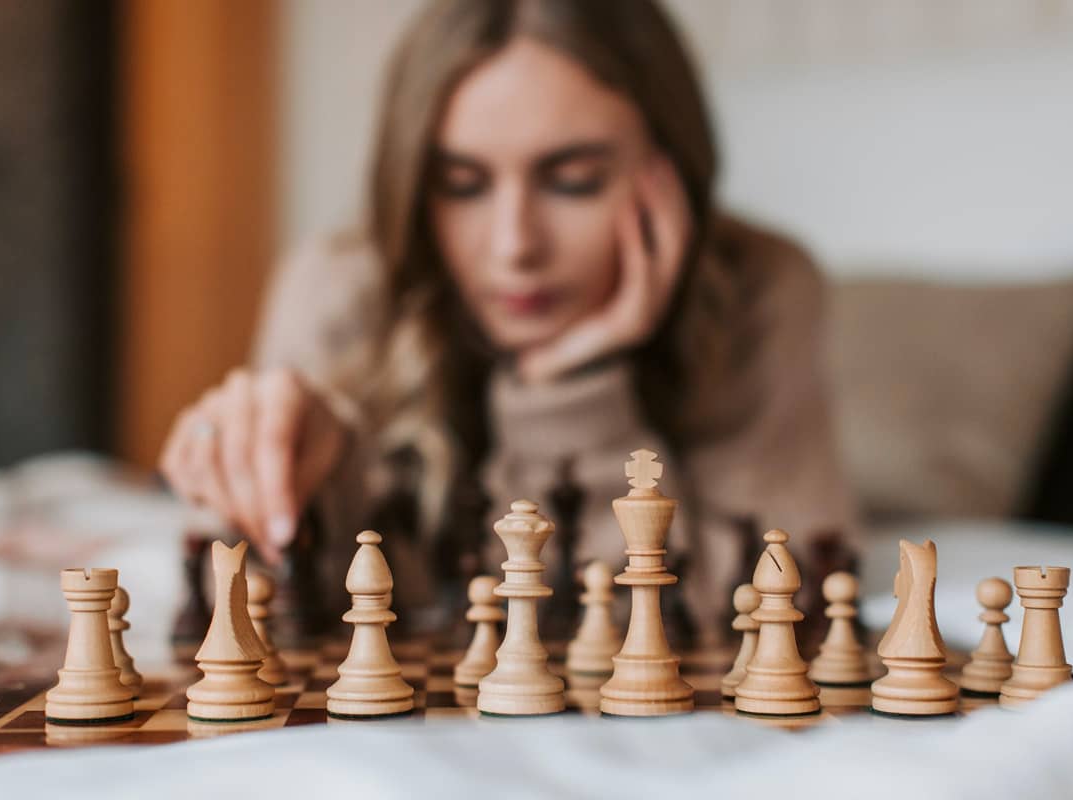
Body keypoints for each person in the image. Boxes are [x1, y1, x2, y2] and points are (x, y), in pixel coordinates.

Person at [159, 0, 854, 641]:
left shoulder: (761, 288)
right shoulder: (338, 288)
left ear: (672, 165)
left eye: (573, 179)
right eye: (462, 186)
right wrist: (292, 480)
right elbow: (267, 587)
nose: (513, 245)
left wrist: (573, 387)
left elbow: (744, 619)